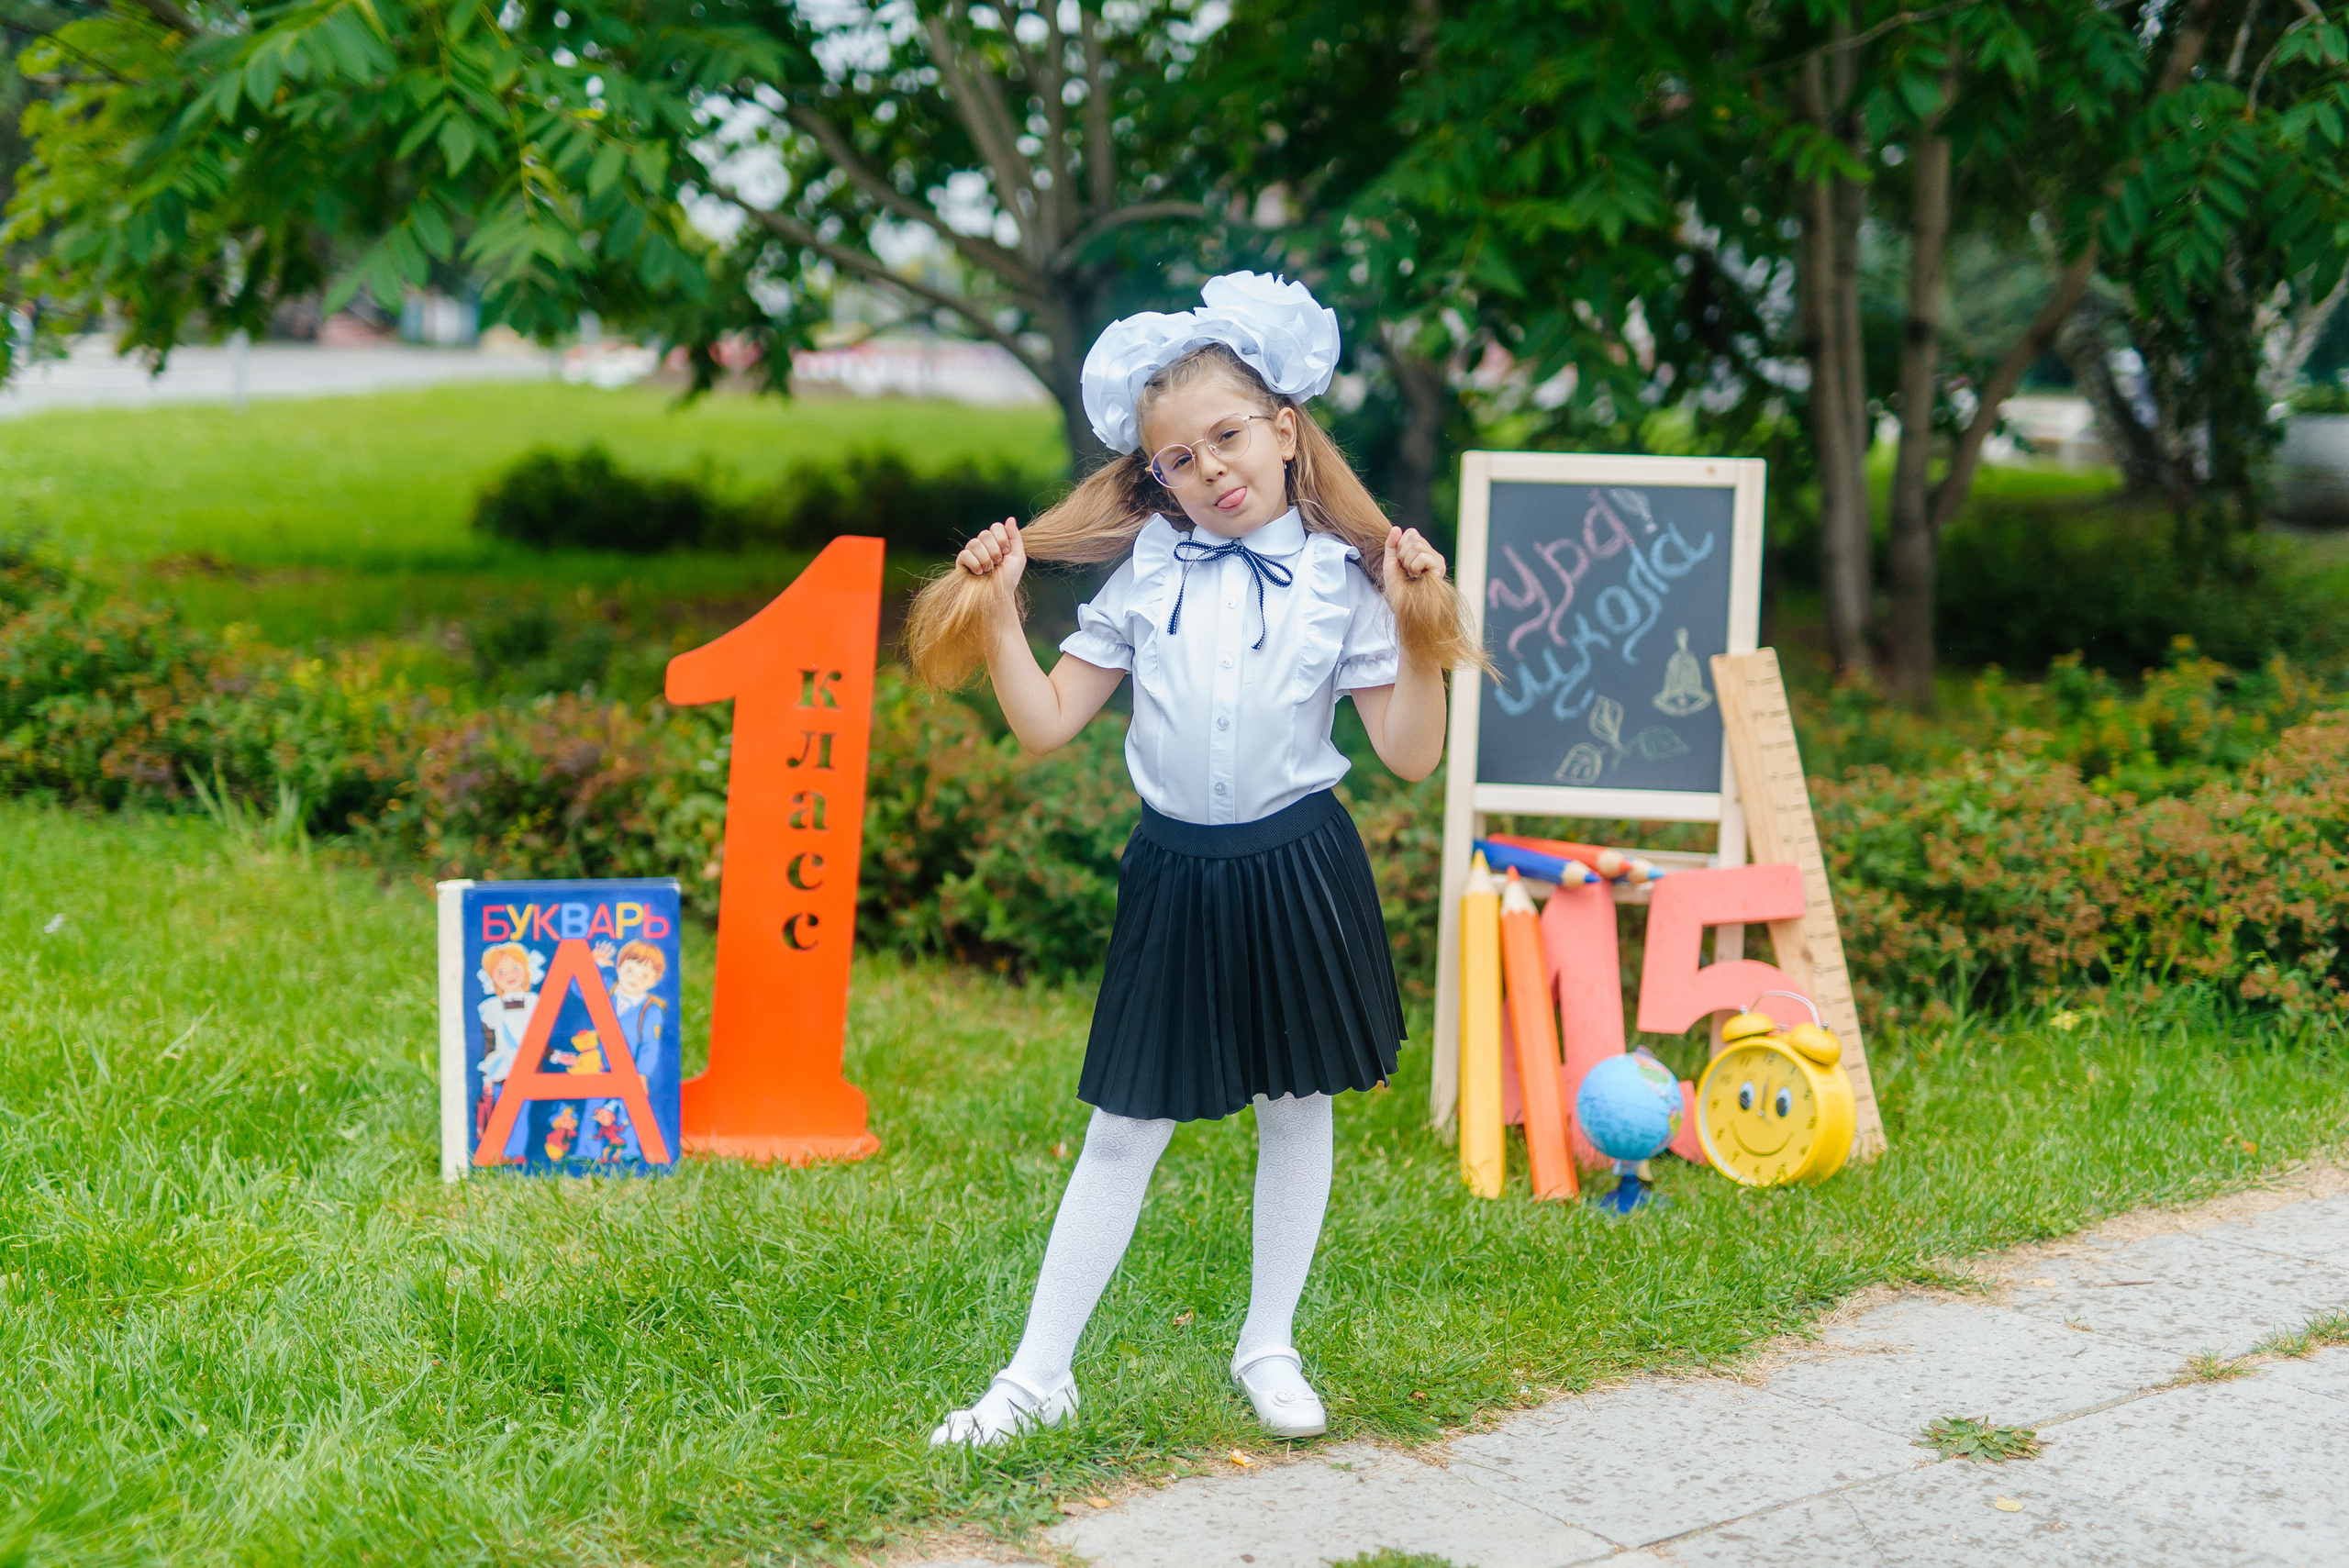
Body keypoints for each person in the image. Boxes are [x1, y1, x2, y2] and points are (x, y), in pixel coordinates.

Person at [906, 272, 1483, 1447]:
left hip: (1298, 865)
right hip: (1173, 871)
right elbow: (1046, 721)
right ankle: (1037, 1374)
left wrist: (1417, 623)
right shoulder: (1151, 573)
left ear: (1284, 430)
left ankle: (1268, 1342)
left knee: (1295, 1108)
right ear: (1154, 476)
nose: (1211, 468)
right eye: (1179, 457)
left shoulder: (1340, 582)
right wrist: (1001, 611)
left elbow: (1411, 755)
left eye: (1229, 436)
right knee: (1123, 1124)